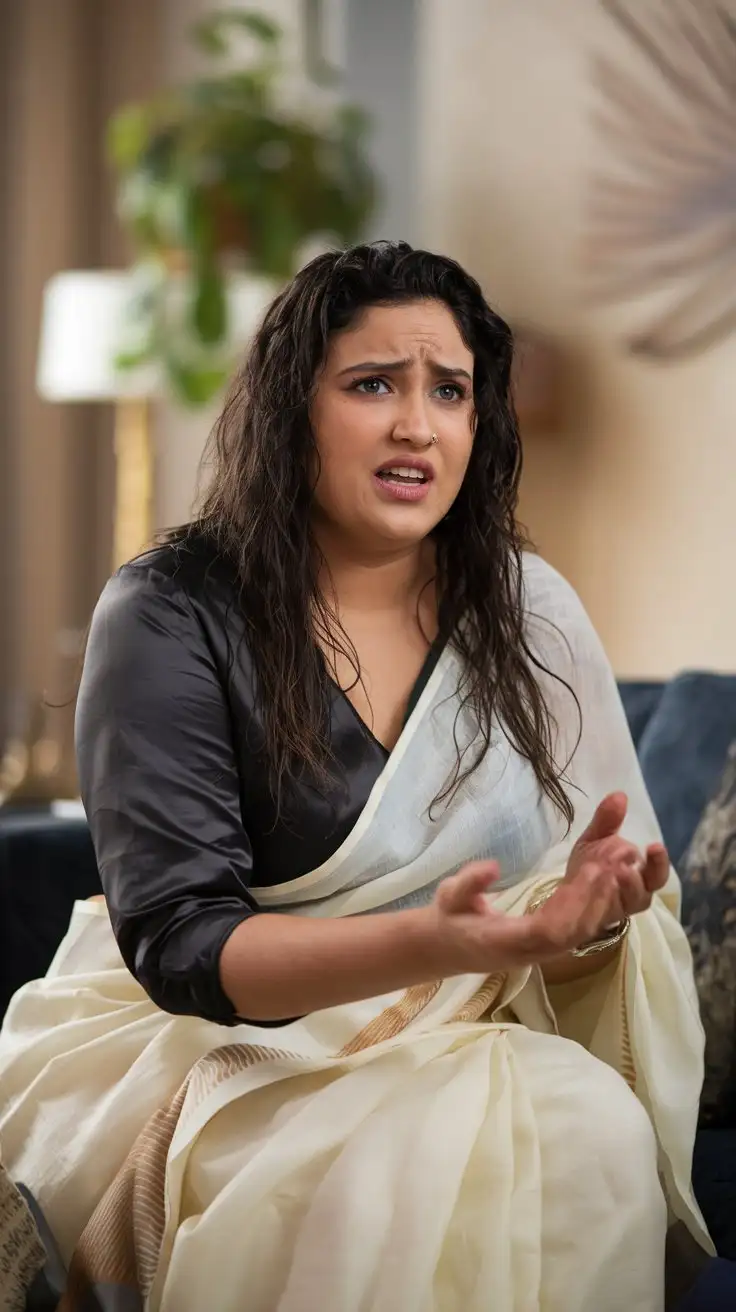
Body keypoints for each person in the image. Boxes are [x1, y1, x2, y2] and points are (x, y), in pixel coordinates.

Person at [0, 242, 712, 1311]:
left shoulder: (529, 614)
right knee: (383, 1166)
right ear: (294, 409)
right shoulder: (171, 609)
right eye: (373, 383)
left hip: (468, 1042)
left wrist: (586, 927)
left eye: (451, 391)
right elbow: (184, 947)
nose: (416, 425)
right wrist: (437, 939)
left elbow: (578, 959)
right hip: (207, 1040)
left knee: (584, 1119)